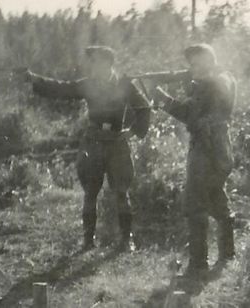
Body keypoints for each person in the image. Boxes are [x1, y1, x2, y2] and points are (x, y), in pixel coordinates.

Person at [22, 45, 151, 251]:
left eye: (98, 61)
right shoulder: (88, 84)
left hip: (117, 143)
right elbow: (62, 88)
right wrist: (35, 79)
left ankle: (127, 240)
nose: (93, 66)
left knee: (121, 191)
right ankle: (88, 241)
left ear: (109, 63)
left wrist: (132, 131)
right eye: (92, 62)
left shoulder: (125, 85)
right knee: (90, 192)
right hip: (93, 142)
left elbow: (144, 108)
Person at [146, 43, 237, 279]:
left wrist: (165, 96)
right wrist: (165, 93)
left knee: (195, 202)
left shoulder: (219, 81)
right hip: (215, 147)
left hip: (208, 148)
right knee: (216, 196)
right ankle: (228, 253)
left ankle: (198, 264)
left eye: (197, 63)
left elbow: (194, 111)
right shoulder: (212, 82)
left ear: (210, 61)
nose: (192, 68)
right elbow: (192, 109)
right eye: (191, 64)